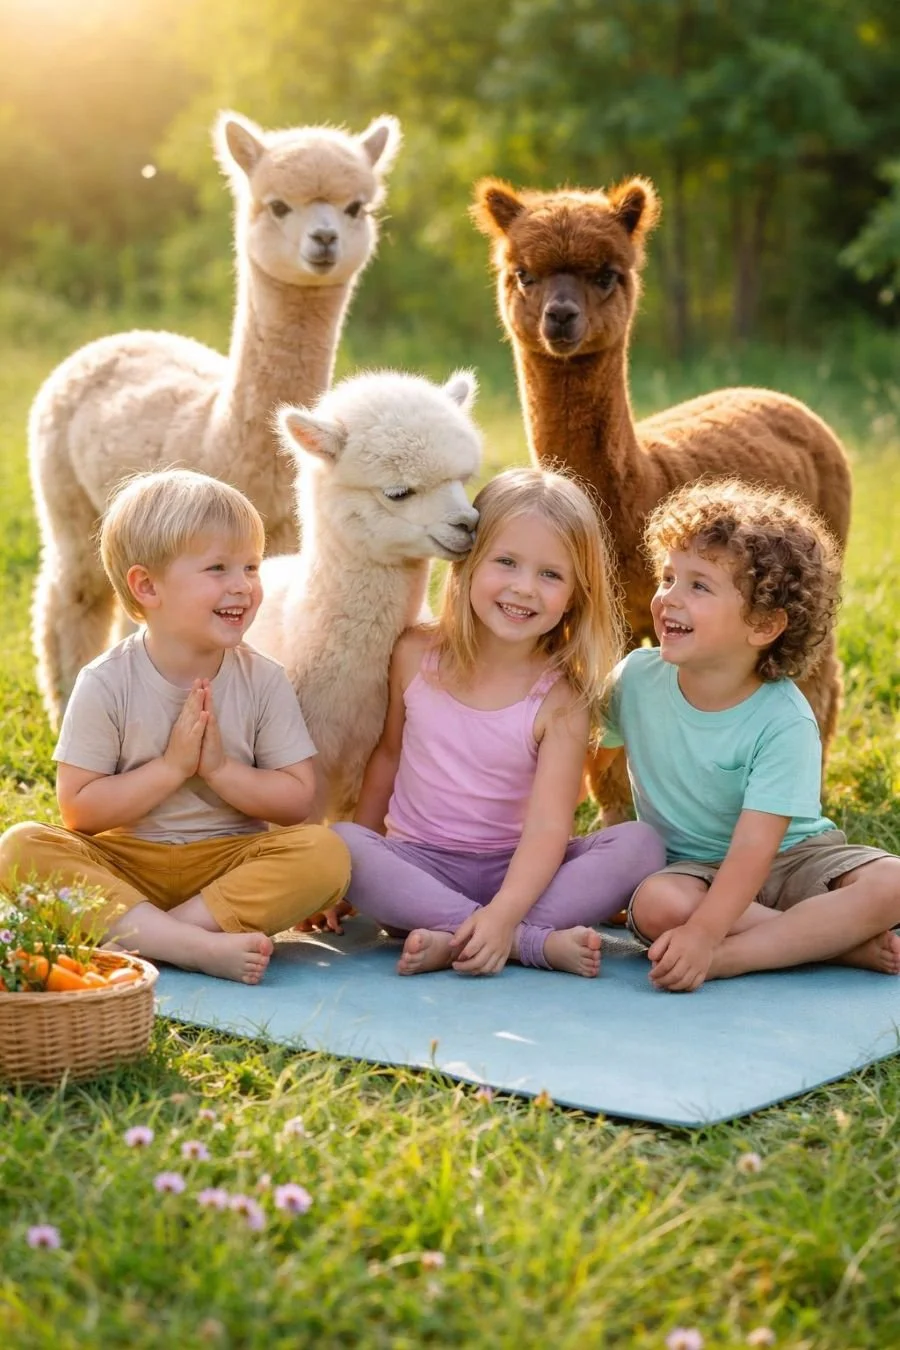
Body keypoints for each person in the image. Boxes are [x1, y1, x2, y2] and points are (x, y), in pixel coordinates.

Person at [0, 470, 349, 984]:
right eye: (217, 568)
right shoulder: (105, 681)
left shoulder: (264, 679)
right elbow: (81, 812)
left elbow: (297, 801)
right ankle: (186, 945)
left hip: (227, 864)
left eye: (251, 567)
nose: (244, 586)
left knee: (328, 854)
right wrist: (172, 767)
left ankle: (148, 938)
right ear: (147, 586)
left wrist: (221, 770)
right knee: (20, 846)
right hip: (127, 863)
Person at [331, 466, 666, 978]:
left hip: (523, 872)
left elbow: (550, 827)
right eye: (506, 562)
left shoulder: (561, 698)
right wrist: (350, 870)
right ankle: (526, 944)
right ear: (467, 565)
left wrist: (506, 909)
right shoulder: (414, 654)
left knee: (641, 845)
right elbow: (388, 758)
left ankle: (470, 936)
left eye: (550, 574)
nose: (524, 588)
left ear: (577, 593)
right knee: (343, 844)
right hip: (419, 867)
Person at [598, 477, 900, 993]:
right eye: (669, 577)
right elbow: (574, 738)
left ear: (763, 625)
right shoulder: (636, 679)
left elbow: (755, 850)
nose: (669, 598)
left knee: (892, 884)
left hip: (794, 857)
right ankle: (840, 944)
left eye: (699, 586)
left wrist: (706, 938)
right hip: (692, 868)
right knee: (656, 905)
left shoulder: (784, 719)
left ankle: (735, 957)